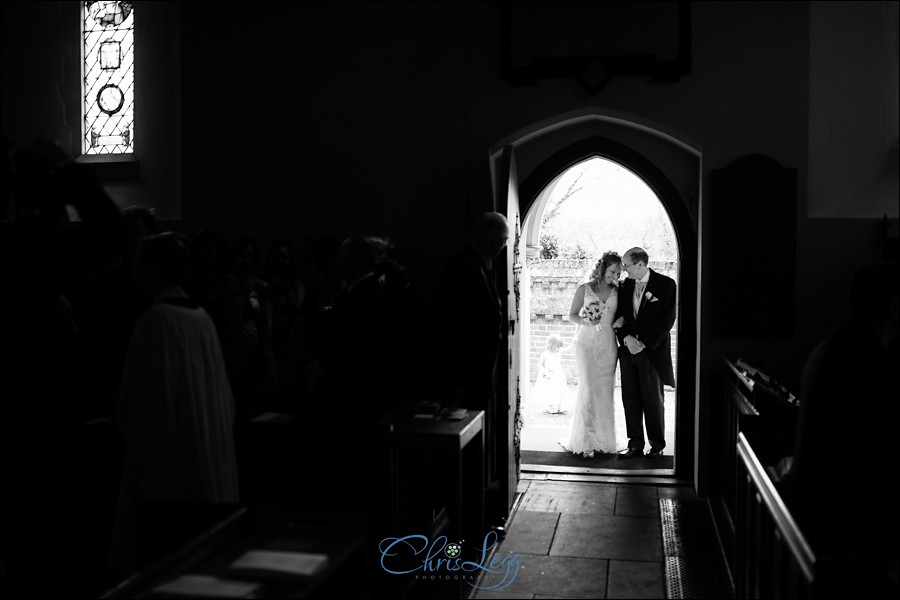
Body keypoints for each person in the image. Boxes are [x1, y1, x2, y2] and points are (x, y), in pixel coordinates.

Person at [109, 232, 240, 575]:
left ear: (153, 270)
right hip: (206, 463)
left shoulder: (156, 321)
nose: (132, 274)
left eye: (138, 265)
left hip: (169, 481)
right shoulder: (202, 318)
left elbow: (138, 410)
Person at [783, 261, 899, 594]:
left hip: (819, 505)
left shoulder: (835, 347)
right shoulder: (867, 361)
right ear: (892, 304)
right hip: (841, 524)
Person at [431, 211, 509, 522]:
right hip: (464, 374)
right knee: (465, 445)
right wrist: (464, 378)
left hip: (476, 372)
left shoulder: (479, 264)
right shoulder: (464, 265)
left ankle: (473, 505)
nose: (504, 247)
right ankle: (464, 510)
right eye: (503, 241)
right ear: (493, 240)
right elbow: (458, 323)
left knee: (477, 441)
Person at [615, 247, 676, 459]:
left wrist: (643, 343)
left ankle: (657, 445)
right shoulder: (624, 286)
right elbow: (619, 316)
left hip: (652, 352)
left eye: (627, 265)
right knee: (630, 398)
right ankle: (635, 444)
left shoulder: (666, 285)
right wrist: (626, 338)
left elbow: (667, 321)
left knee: (653, 400)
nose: (624, 270)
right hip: (627, 351)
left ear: (641, 264)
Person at [560, 251, 622, 458]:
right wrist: (586, 321)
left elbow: (624, 316)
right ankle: (586, 441)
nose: (615, 276)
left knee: (605, 391)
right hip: (586, 344)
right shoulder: (584, 289)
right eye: (613, 271)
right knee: (587, 388)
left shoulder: (618, 291)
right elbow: (571, 315)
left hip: (608, 344)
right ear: (603, 268)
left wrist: (620, 322)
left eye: (618, 272)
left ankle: (605, 439)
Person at [534, 334, 570, 414]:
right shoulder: (545, 354)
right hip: (549, 375)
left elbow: (567, 349)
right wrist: (544, 372)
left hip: (558, 374)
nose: (558, 348)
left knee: (560, 390)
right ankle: (552, 407)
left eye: (559, 347)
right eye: (557, 346)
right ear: (552, 344)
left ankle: (561, 406)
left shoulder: (559, 351)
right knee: (551, 391)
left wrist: (573, 344)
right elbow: (540, 364)